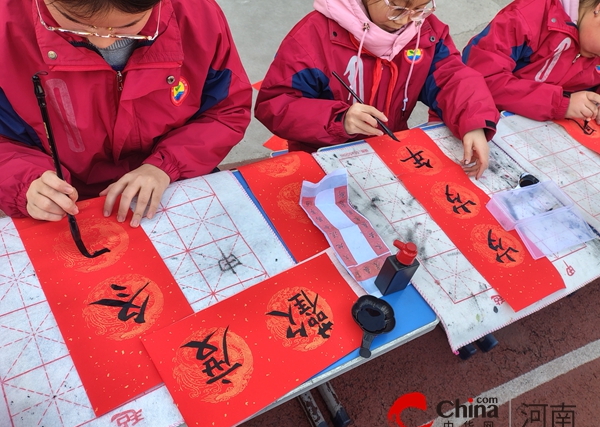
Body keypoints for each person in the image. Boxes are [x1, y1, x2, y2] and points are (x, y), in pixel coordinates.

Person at [0, 0, 252, 227]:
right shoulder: (6, 28)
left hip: (172, 180)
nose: (103, 40)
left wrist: (167, 165)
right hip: (65, 200)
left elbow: (226, 109)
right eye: (78, 25)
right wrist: (25, 183)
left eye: (128, 26)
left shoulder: (198, 17)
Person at [254, 0, 499, 179]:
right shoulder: (313, 37)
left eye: (420, 7)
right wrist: (340, 119)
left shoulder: (426, 32)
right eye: (397, 8)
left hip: (389, 151)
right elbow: (275, 103)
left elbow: (452, 78)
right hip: (322, 158)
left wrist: (474, 121)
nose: (407, 19)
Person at [462, 0, 600, 124]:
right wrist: (560, 103)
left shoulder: (592, 46)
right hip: (484, 120)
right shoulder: (528, 16)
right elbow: (481, 77)